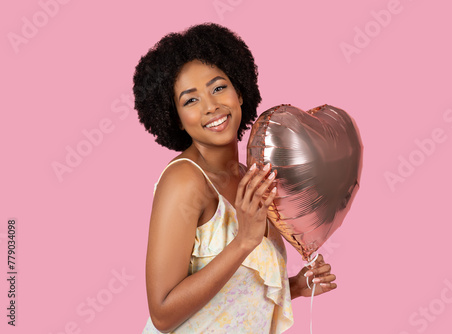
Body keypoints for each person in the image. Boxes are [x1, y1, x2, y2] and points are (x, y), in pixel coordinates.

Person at [133, 23, 337, 333]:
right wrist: (243, 241)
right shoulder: (185, 181)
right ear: (176, 118)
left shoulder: (250, 178)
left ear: (239, 92)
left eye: (218, 87)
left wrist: (294, 286)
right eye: (190, 100)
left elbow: (236, 297)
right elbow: (163, 314)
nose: (211, 105)